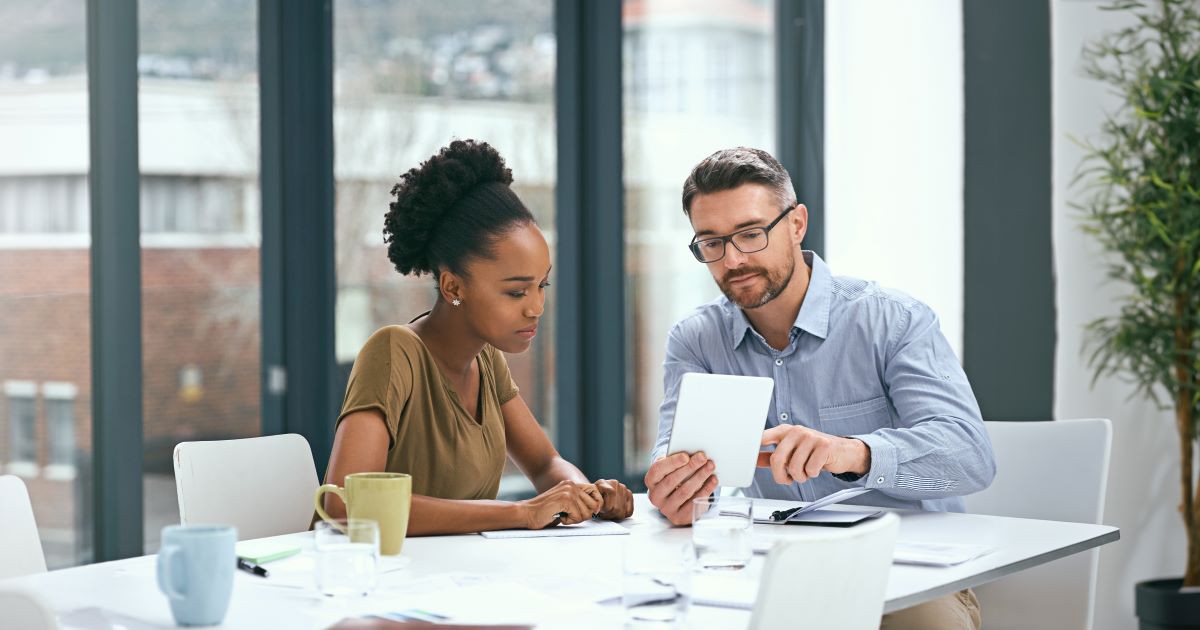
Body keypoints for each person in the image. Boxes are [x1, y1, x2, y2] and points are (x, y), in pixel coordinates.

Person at [644, 147, 994, 629]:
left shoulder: (892, 320)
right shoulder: (696, 340)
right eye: (712, 243)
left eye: (751, 234)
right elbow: (674, 452)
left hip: (906, 574)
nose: (734, 259)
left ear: (796, 224)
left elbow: (971, 456)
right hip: (766, 571)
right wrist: (675, 489)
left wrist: (850, 453)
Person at [322, 139, 633, 535]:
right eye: (516, 292)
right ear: (453, 288)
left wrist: (583, 494)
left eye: (542, 285)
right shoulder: (393, 353)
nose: (536, 307)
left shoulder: (486, 362)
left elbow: (543, 465)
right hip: (376, 580)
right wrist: (521, 513)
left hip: (457, 577)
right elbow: (346, 503)